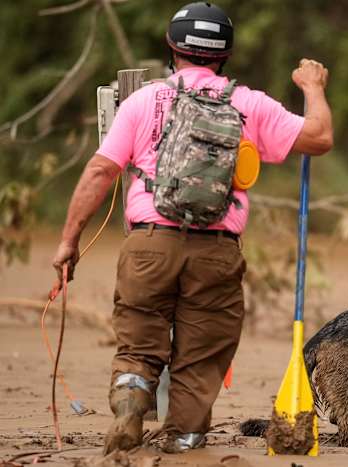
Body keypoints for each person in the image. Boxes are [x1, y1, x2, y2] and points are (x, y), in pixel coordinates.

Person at [51, 1, 332, 455]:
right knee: (201, 355)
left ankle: (130, 400)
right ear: (225, 54)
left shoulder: (145, 100)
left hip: (148, 245)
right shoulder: (249, 104)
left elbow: (100, 171)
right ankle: (183, 436)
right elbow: (319, 138)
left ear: (171, 46)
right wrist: (313, 87)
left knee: (139, 338)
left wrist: (69, 240)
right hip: (217, 251)